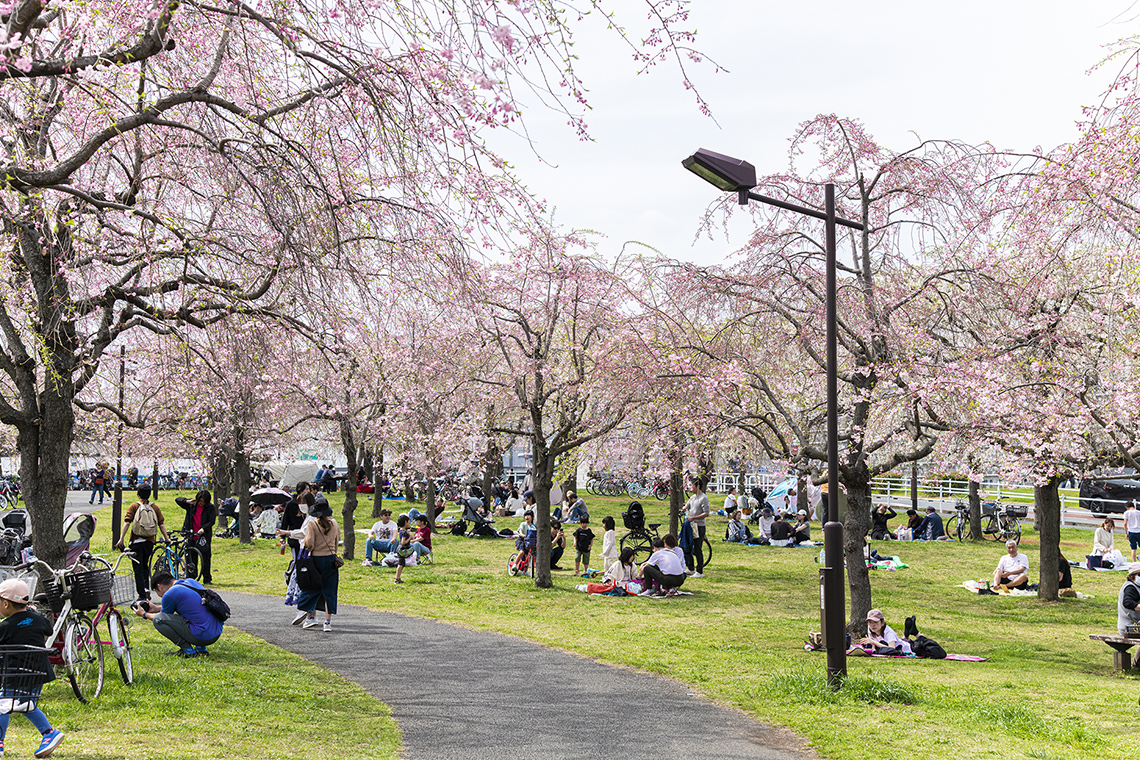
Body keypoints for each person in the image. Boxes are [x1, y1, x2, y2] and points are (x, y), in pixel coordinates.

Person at [0, 579, 64, 758]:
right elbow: (49, 630)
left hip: (15, 673)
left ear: (5, 603)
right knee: (25, 705)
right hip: (37, 672)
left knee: (3, 706)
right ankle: (48, 733)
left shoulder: (5, 626)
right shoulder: (37, 619)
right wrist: (33, 615)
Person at [133, 570, 223, 657]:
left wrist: (144, 614)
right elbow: (192, 605)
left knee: (157, 620)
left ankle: (188, 651)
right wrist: (156, 608)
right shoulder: (190, 582)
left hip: (202, 636)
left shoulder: (169, 594)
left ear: (159, 587)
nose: (160, 596)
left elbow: (162, 618)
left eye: (157, 592)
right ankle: (201, 649)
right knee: (194, 614)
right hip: (216, 632)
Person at [115, 485, 171, 601]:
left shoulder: (134, 506)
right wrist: (166, 538)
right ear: (149, 494)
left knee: (138, 568)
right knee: (145, 566)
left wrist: (121, 539)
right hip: (149, 542)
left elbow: (127, 522)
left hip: (136, 542)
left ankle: (141, 594)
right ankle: (146, 589)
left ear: (138, 494)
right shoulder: (154, 507)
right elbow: (161, 524)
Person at [296, 498, 340, 630]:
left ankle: (310, 617)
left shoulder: (313, 524)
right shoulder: (335, 524)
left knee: (312, 587)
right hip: (332, 560)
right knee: (330, 591)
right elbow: (337, 541)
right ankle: (327, 622)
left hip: (316, 560)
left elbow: (309, 544)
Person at [175, 489, 216, 584]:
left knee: (205, 556)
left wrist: (204, 528)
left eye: (203, 502)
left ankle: (207, 578)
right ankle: (192, 577)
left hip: (203, 536)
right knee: (191, 557)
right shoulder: (191, 505)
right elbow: (177, 500)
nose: (201, 503)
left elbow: (212, 521)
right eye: (200, 501)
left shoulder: (210, 508)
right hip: (191, 534)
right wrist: (186, 501)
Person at [684, 477, 710, 577]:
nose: (691, 488)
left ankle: (699, 571)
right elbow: (688, 505)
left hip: (699, 526)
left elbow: (706, 513)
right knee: (688, 547)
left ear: (698, 486)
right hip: (691, 525)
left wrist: (694, 517)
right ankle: (690, 568)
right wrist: (685, 508)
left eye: (692, 485)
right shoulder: (693, 497)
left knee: (697, 548)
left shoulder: (703, 498)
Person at [1117, 562, 1140, 635]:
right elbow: (1127, 603)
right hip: (1129, 628)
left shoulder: (1137, 586)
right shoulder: (1130, 587)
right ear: (1133, 576)